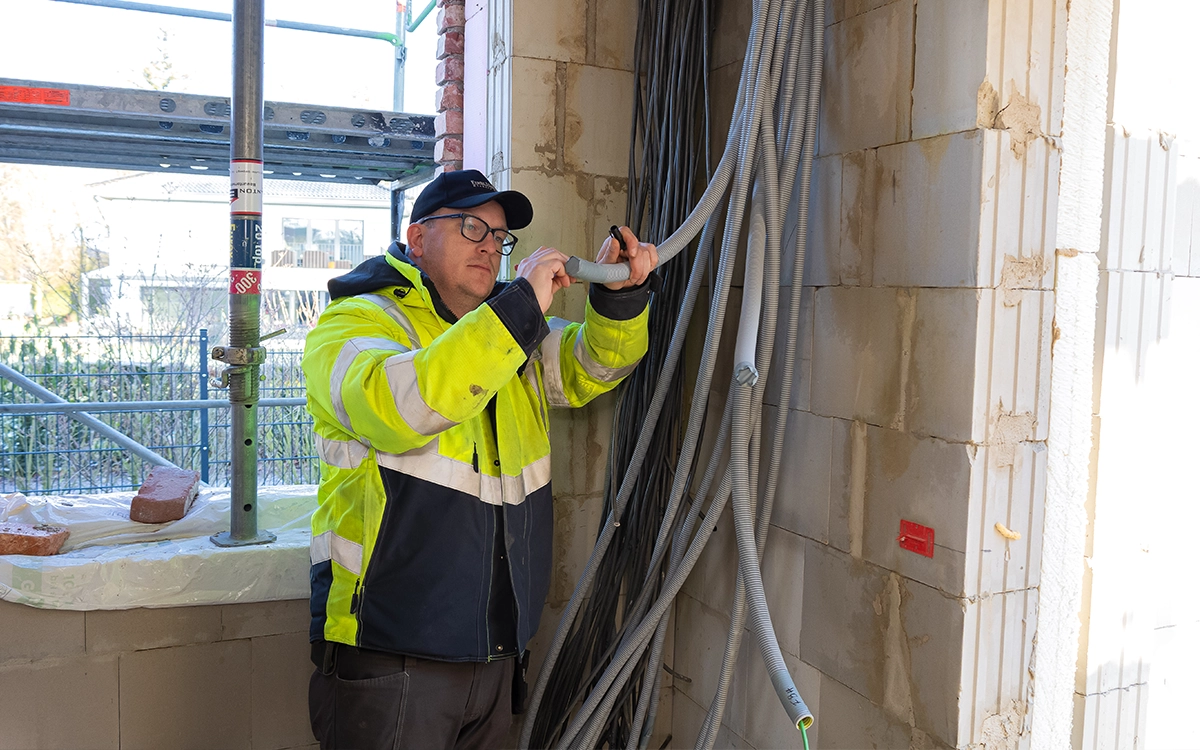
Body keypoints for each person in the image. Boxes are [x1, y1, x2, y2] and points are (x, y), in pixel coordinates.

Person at [302, 168, 658, 750]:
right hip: (391, 650)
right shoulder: (355, 324)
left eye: (500, 237)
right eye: (473, 228)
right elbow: (405, 404)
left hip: (493, 646)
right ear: (417, 239)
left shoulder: (502, 337)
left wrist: (618, 296)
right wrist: (519, 308)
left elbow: (592, 367)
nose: (490, 245)